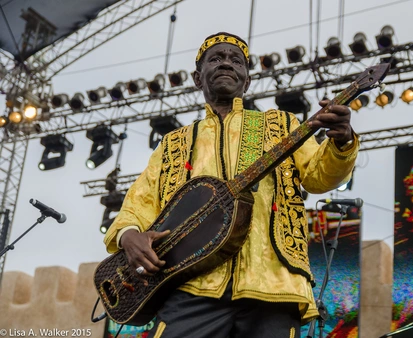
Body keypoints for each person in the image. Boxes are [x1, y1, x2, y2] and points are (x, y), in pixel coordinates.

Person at [103, 32, 359, 338]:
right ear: (198, 79)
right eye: (217, 58)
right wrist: (129, 236)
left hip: (272, 285)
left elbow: (320, 177)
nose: (227, 63)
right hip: (190, 286)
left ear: (247, 81)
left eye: (236, 60)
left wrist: (342, 140)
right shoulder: (173, 143)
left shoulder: (282, 126)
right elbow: (139, 202)